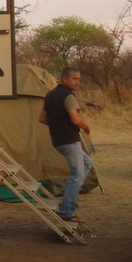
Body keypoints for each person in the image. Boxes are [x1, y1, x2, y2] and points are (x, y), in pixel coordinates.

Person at [38, 67, 93, 222]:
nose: (77, 82)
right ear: (64, 79)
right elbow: (75, 119)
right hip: (70, 140)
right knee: (78, 175)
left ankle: (69, 195)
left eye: (79, 79)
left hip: (58, 140)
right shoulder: (68, 96)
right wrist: (85, 126)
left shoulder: (50, 95)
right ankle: (67, 211)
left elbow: (42, 119)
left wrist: (57, 125)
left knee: (87, 163)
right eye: (74, 79)